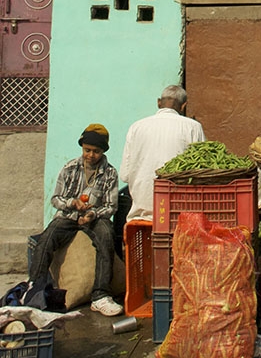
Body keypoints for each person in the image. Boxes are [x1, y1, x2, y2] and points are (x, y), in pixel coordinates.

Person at [29, 124, 122, 317]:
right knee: (49, 236)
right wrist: (72, 203)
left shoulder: (110, 173)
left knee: (106, 235)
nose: (91, 155)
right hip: (69, 216)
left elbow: (111, 206)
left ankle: (100, 295)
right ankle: (34, 289)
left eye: (96, 151)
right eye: (87, 150)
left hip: (95, 218)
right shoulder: (70, 168)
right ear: (82, 148)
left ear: (103, 151)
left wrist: (92, 214)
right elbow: (56, 199)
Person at [120, 85, 205, 221]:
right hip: (179, 215)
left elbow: (124, 175)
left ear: (159, 102)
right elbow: (201, 172)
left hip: (142, 216)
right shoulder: (193, 127)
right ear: (183, 106)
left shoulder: (136, 127)